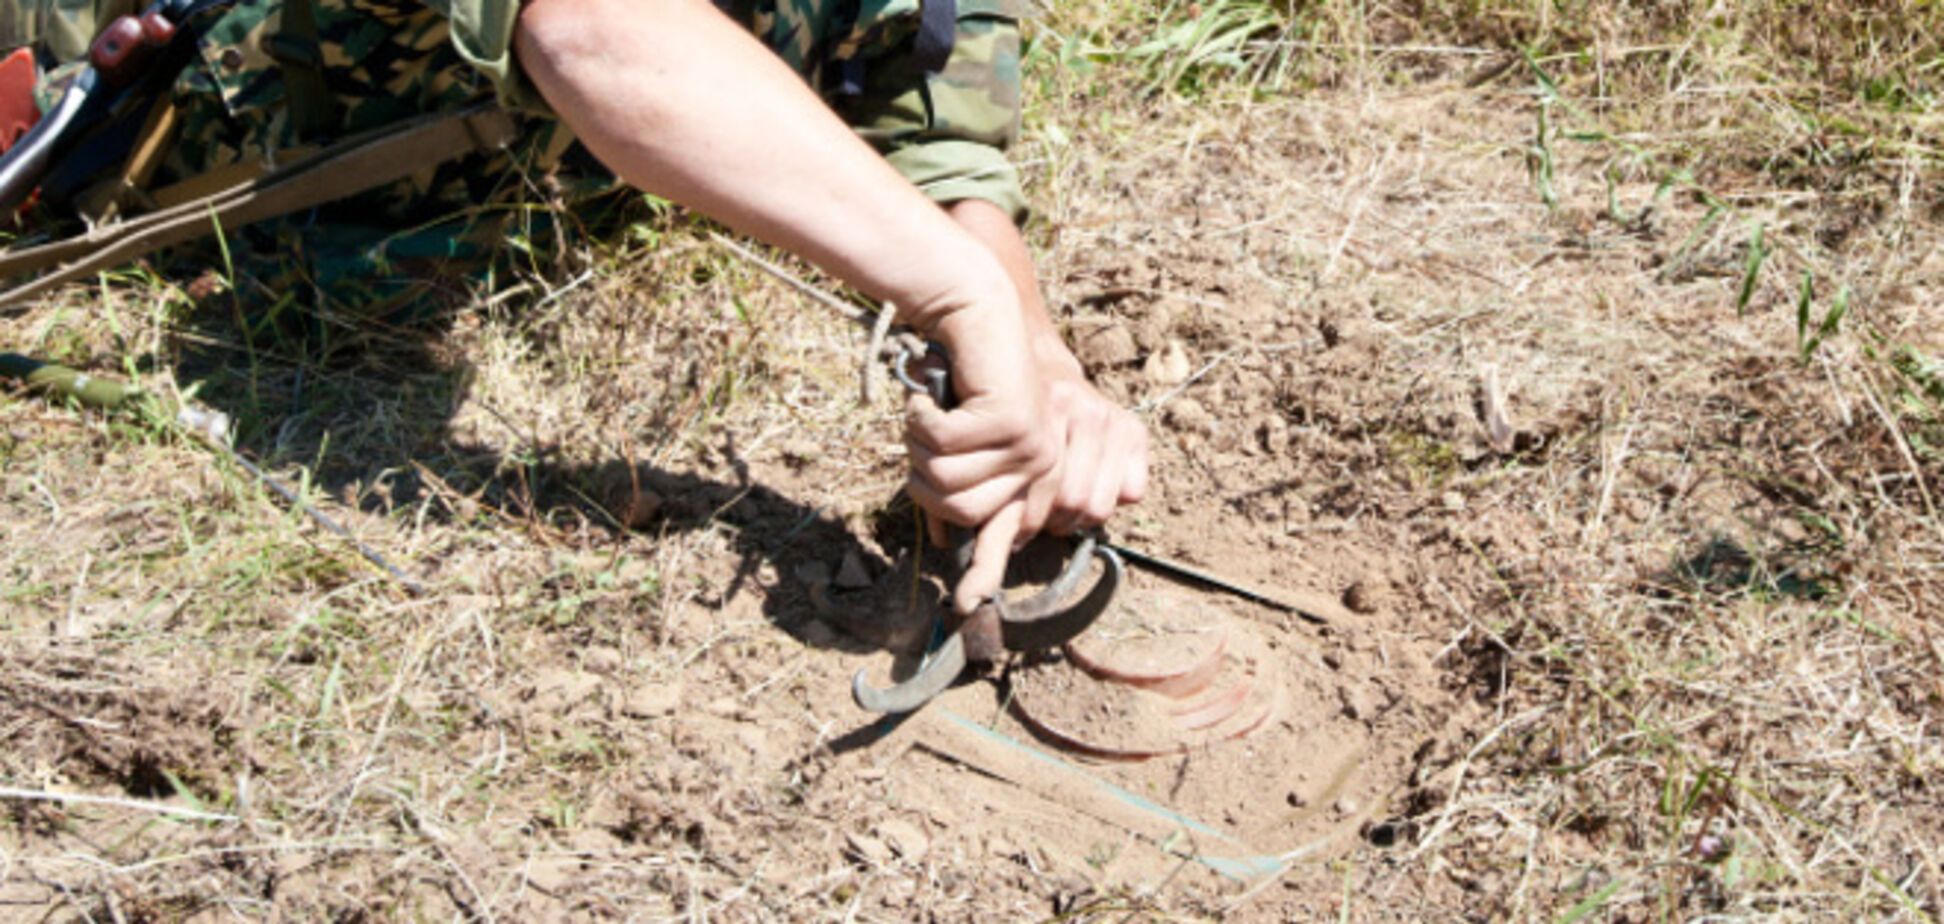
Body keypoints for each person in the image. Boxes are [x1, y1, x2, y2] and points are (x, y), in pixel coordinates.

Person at [3, 0, 1149, 612]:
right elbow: (588, 25)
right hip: (115, 137)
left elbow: (938, 134)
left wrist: (1035, 356)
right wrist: (959, 296)